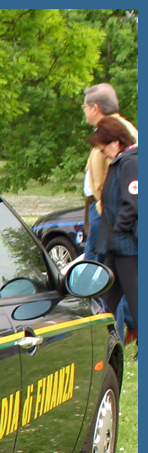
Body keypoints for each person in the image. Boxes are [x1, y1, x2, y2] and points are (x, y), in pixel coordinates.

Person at [89, 116, 138, 330]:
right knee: (103, 300)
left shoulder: (129, 162)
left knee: (137, 301)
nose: (102, 153)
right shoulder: (121, 162)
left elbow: (133, 203)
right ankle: (98, 336)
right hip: (115, 245)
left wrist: (119, 229)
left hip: (127, 247)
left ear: (116, 142)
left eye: (104, 148)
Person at [81, 83, 137, 260]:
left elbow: (130, 176)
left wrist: (117, 223)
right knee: (97, 270)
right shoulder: (106, 129)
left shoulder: (120, 131)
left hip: (109, 213)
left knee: (99, 273)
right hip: (100, 209)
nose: (84, 111)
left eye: (85, 106)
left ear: (95, 108)